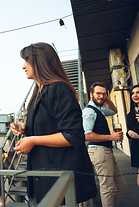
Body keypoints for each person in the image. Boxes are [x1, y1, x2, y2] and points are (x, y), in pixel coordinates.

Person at [11, 42, 97, 204]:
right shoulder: (37, 93)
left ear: (39, 62)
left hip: (57, 177)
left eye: (26, 61)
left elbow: (74, 136)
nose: (23, 66)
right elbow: (50, 125)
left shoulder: (58, 89)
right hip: (42, 175)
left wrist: (33, 140)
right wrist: (24, 128)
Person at [82, 82, 127, 207]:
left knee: (121, 185)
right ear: (91, 94)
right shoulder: (89, 112)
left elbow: (114, 110)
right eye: (98, 94)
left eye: (104, 94)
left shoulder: (100, 110)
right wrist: (111, 137)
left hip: (106, 151)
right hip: (98, 151)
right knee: (108, 187)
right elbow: (87, 135)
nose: (101, 96)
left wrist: (105, 98)